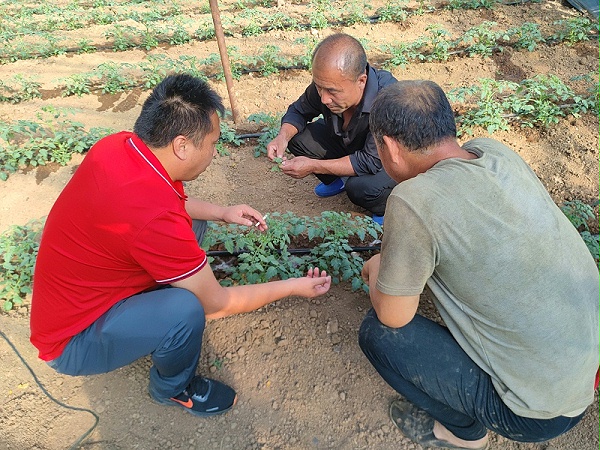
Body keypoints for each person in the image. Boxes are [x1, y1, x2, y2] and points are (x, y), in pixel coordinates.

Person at [30, 74, 331, 418]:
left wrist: (222, 213)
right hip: (71, 341)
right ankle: (172, 389)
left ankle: (150, 310)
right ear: (182, 145)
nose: (215, 153)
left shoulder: (119, 146)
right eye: (213, 143)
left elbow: (164, 206)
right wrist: (294, 286)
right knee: (185, 310)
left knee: (193, 226)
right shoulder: (154, 219)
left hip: (86, 294)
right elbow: (216, 305)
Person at [358, 80, 600, 449]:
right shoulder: (493, 152)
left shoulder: (413, 200)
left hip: (538, 413)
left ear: (388, 146)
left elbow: (394, 316)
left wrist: (377, 268)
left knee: (379, 334)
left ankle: (463, 434)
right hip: (585, 367)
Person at [266, 33, 398, 225]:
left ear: (361, 81)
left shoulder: (388, 100)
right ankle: (336, 181)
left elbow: (369, 161)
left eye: (332, 91)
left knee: (361, 188)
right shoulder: (327, 84)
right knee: (297, 138)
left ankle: (384, 206)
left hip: (384, 161)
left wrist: (313, 165)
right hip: (353, 146)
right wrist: (282, 137)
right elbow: (299, 111)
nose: (324, 99)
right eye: (320, 88)